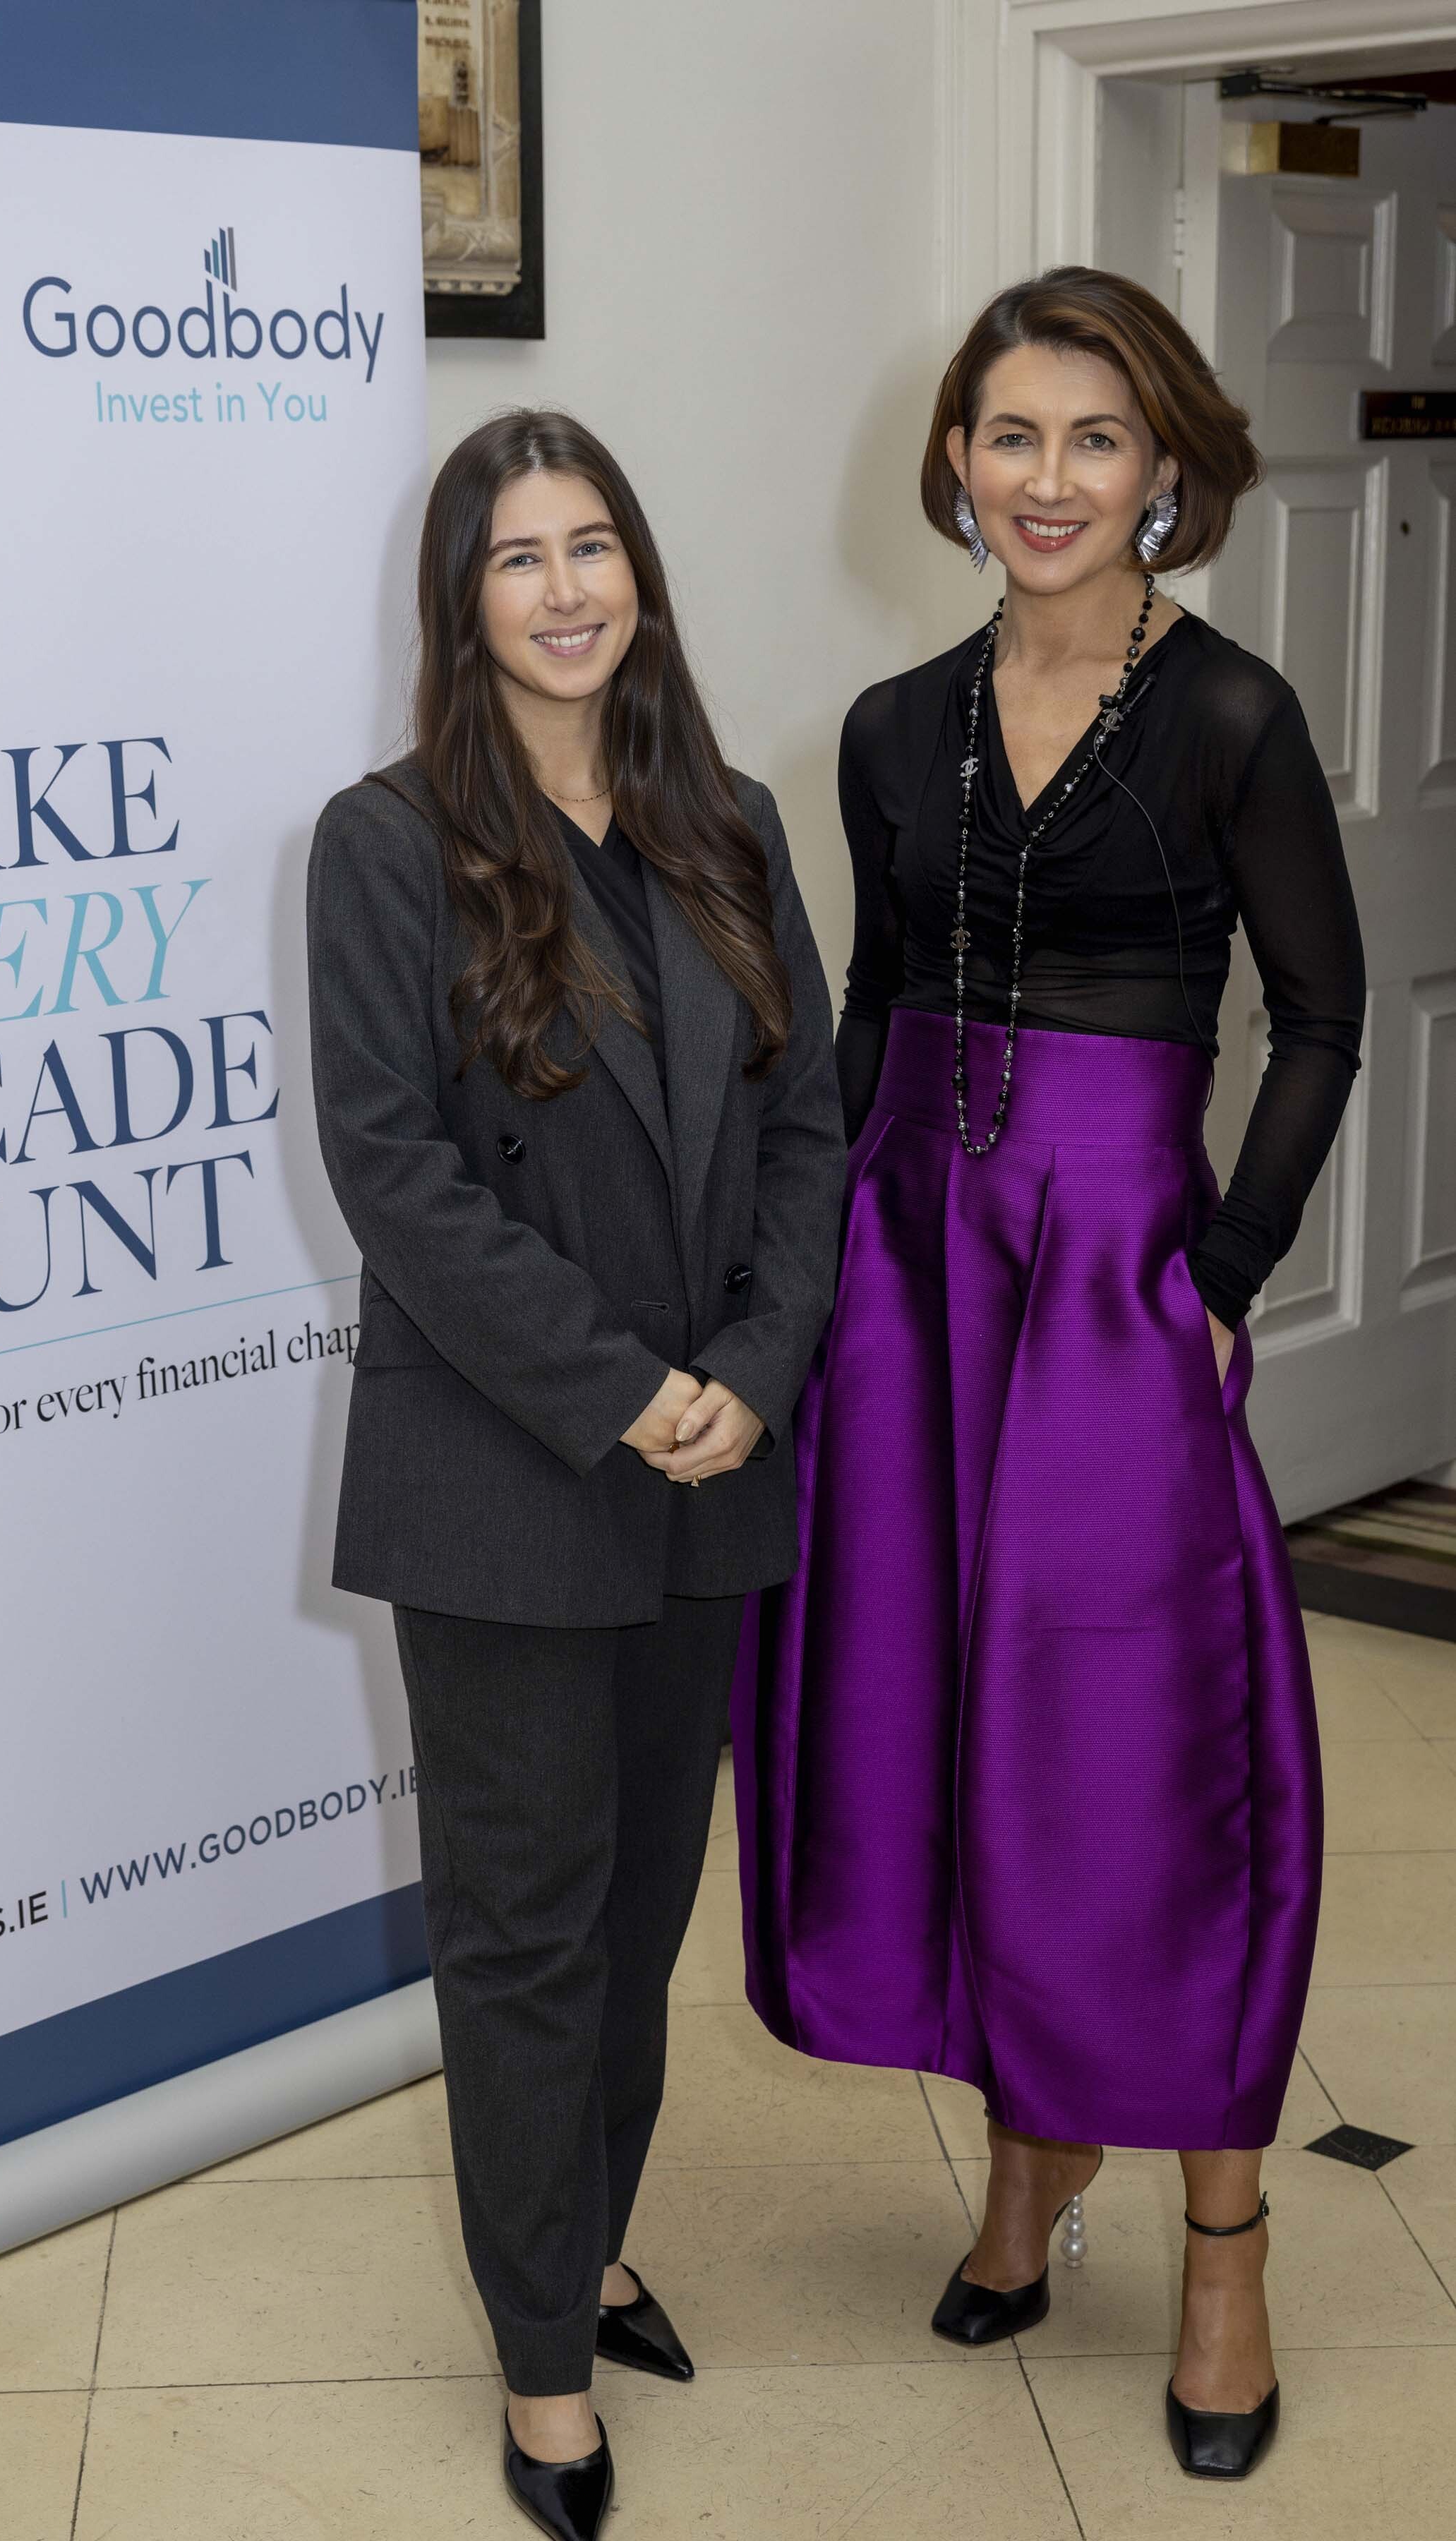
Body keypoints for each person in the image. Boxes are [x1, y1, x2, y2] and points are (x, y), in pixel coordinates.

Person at [733, 267, 1364, 2484]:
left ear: (1162, 466)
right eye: (1009, 434)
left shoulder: (1230, 715)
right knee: (942, 1718)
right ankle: (1030, 2153)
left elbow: (1322, 1018)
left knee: (1141, 1749)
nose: (1048, 478)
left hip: (1112, 1275)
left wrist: (1225, 1272)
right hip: (911, 1268)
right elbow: (869, 1018)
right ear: (955, 462)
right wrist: (806, 1279)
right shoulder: (886, 727)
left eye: (1094, 438)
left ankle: (1222, 2240)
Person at [308, 410, 845, 2538]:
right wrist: (624, 1390)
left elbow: (807, 1129)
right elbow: (395, 1174)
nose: (563, 590)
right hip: (512, 1477)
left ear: (639, 576)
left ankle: (589, 2240)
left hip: (712, 1464)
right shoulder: (384, 844)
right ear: (463, 603)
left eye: (592, 545)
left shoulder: (727, 821)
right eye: (517, 558)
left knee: (637, 1918)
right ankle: (545, 2365)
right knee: (526, 1936)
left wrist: (755, 1373)